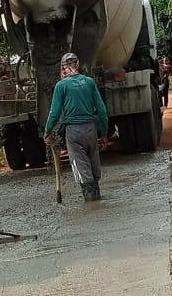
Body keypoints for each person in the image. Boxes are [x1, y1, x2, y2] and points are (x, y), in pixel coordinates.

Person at [43, 52, 108, 202]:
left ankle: (91, 203)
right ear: (77, 65)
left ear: (63, 67)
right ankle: (97, 199)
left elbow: (54, 112)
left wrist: (47, 131)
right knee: (94, 165)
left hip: (73, 133)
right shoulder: (89, 82)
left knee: (81, 168)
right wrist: (103, 133)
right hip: (91, 130)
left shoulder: (61, 86)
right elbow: (102, 110)